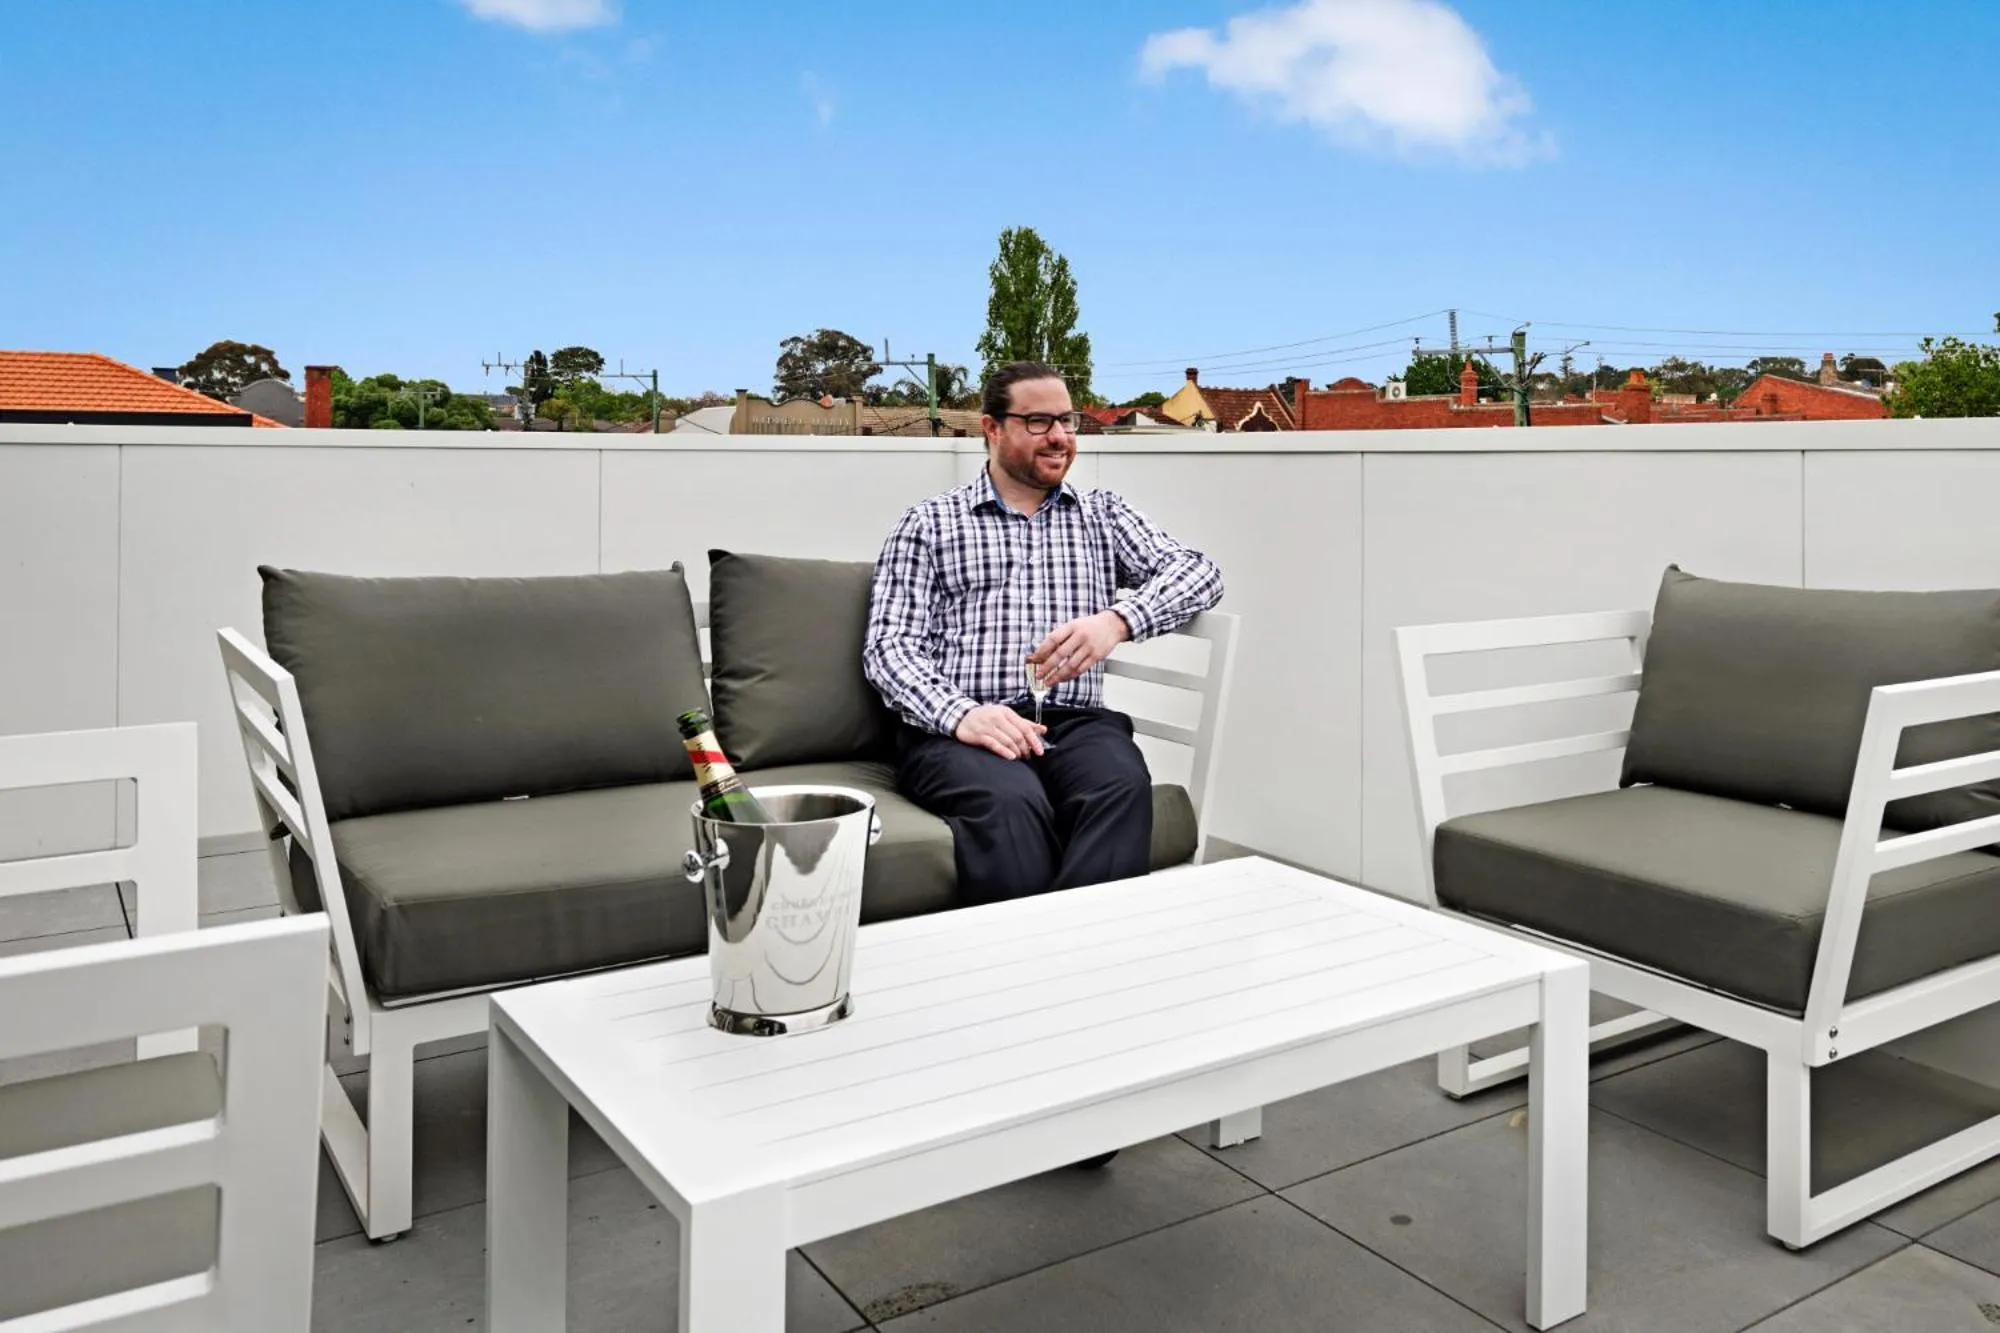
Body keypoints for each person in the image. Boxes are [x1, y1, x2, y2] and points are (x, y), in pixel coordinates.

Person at [862, 360, 1225, 906]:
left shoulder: (1102, 516)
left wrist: (1119, 620)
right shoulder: (930, 524)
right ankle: (1023, 970)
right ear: (992, 428)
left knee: (1120, 788)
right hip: (963, 728)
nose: (1059, 437)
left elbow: (1200, 572)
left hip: (1076, 724)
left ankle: (1077, 967)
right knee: (1011, 805)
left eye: (1068, 420)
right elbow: (890, 649)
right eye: (1038, 422)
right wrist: (962, 714)